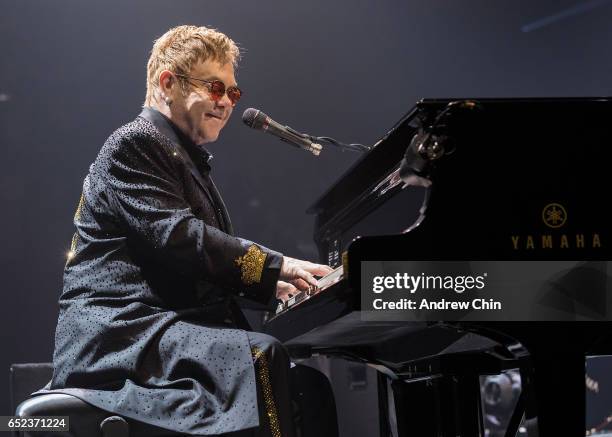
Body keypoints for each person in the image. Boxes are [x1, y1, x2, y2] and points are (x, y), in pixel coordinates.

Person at [38, 25, 333, 436]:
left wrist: (273, 289)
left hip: (154, 324)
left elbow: (190, 266)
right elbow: (180, 239)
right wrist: (274, 267)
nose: (227, 102)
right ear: (167, 83)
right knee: (261, 357)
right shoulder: (134, 142)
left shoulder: (179, 156)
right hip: (118, 333)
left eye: (234, 93)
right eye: (215, 88)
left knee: (309, 384)